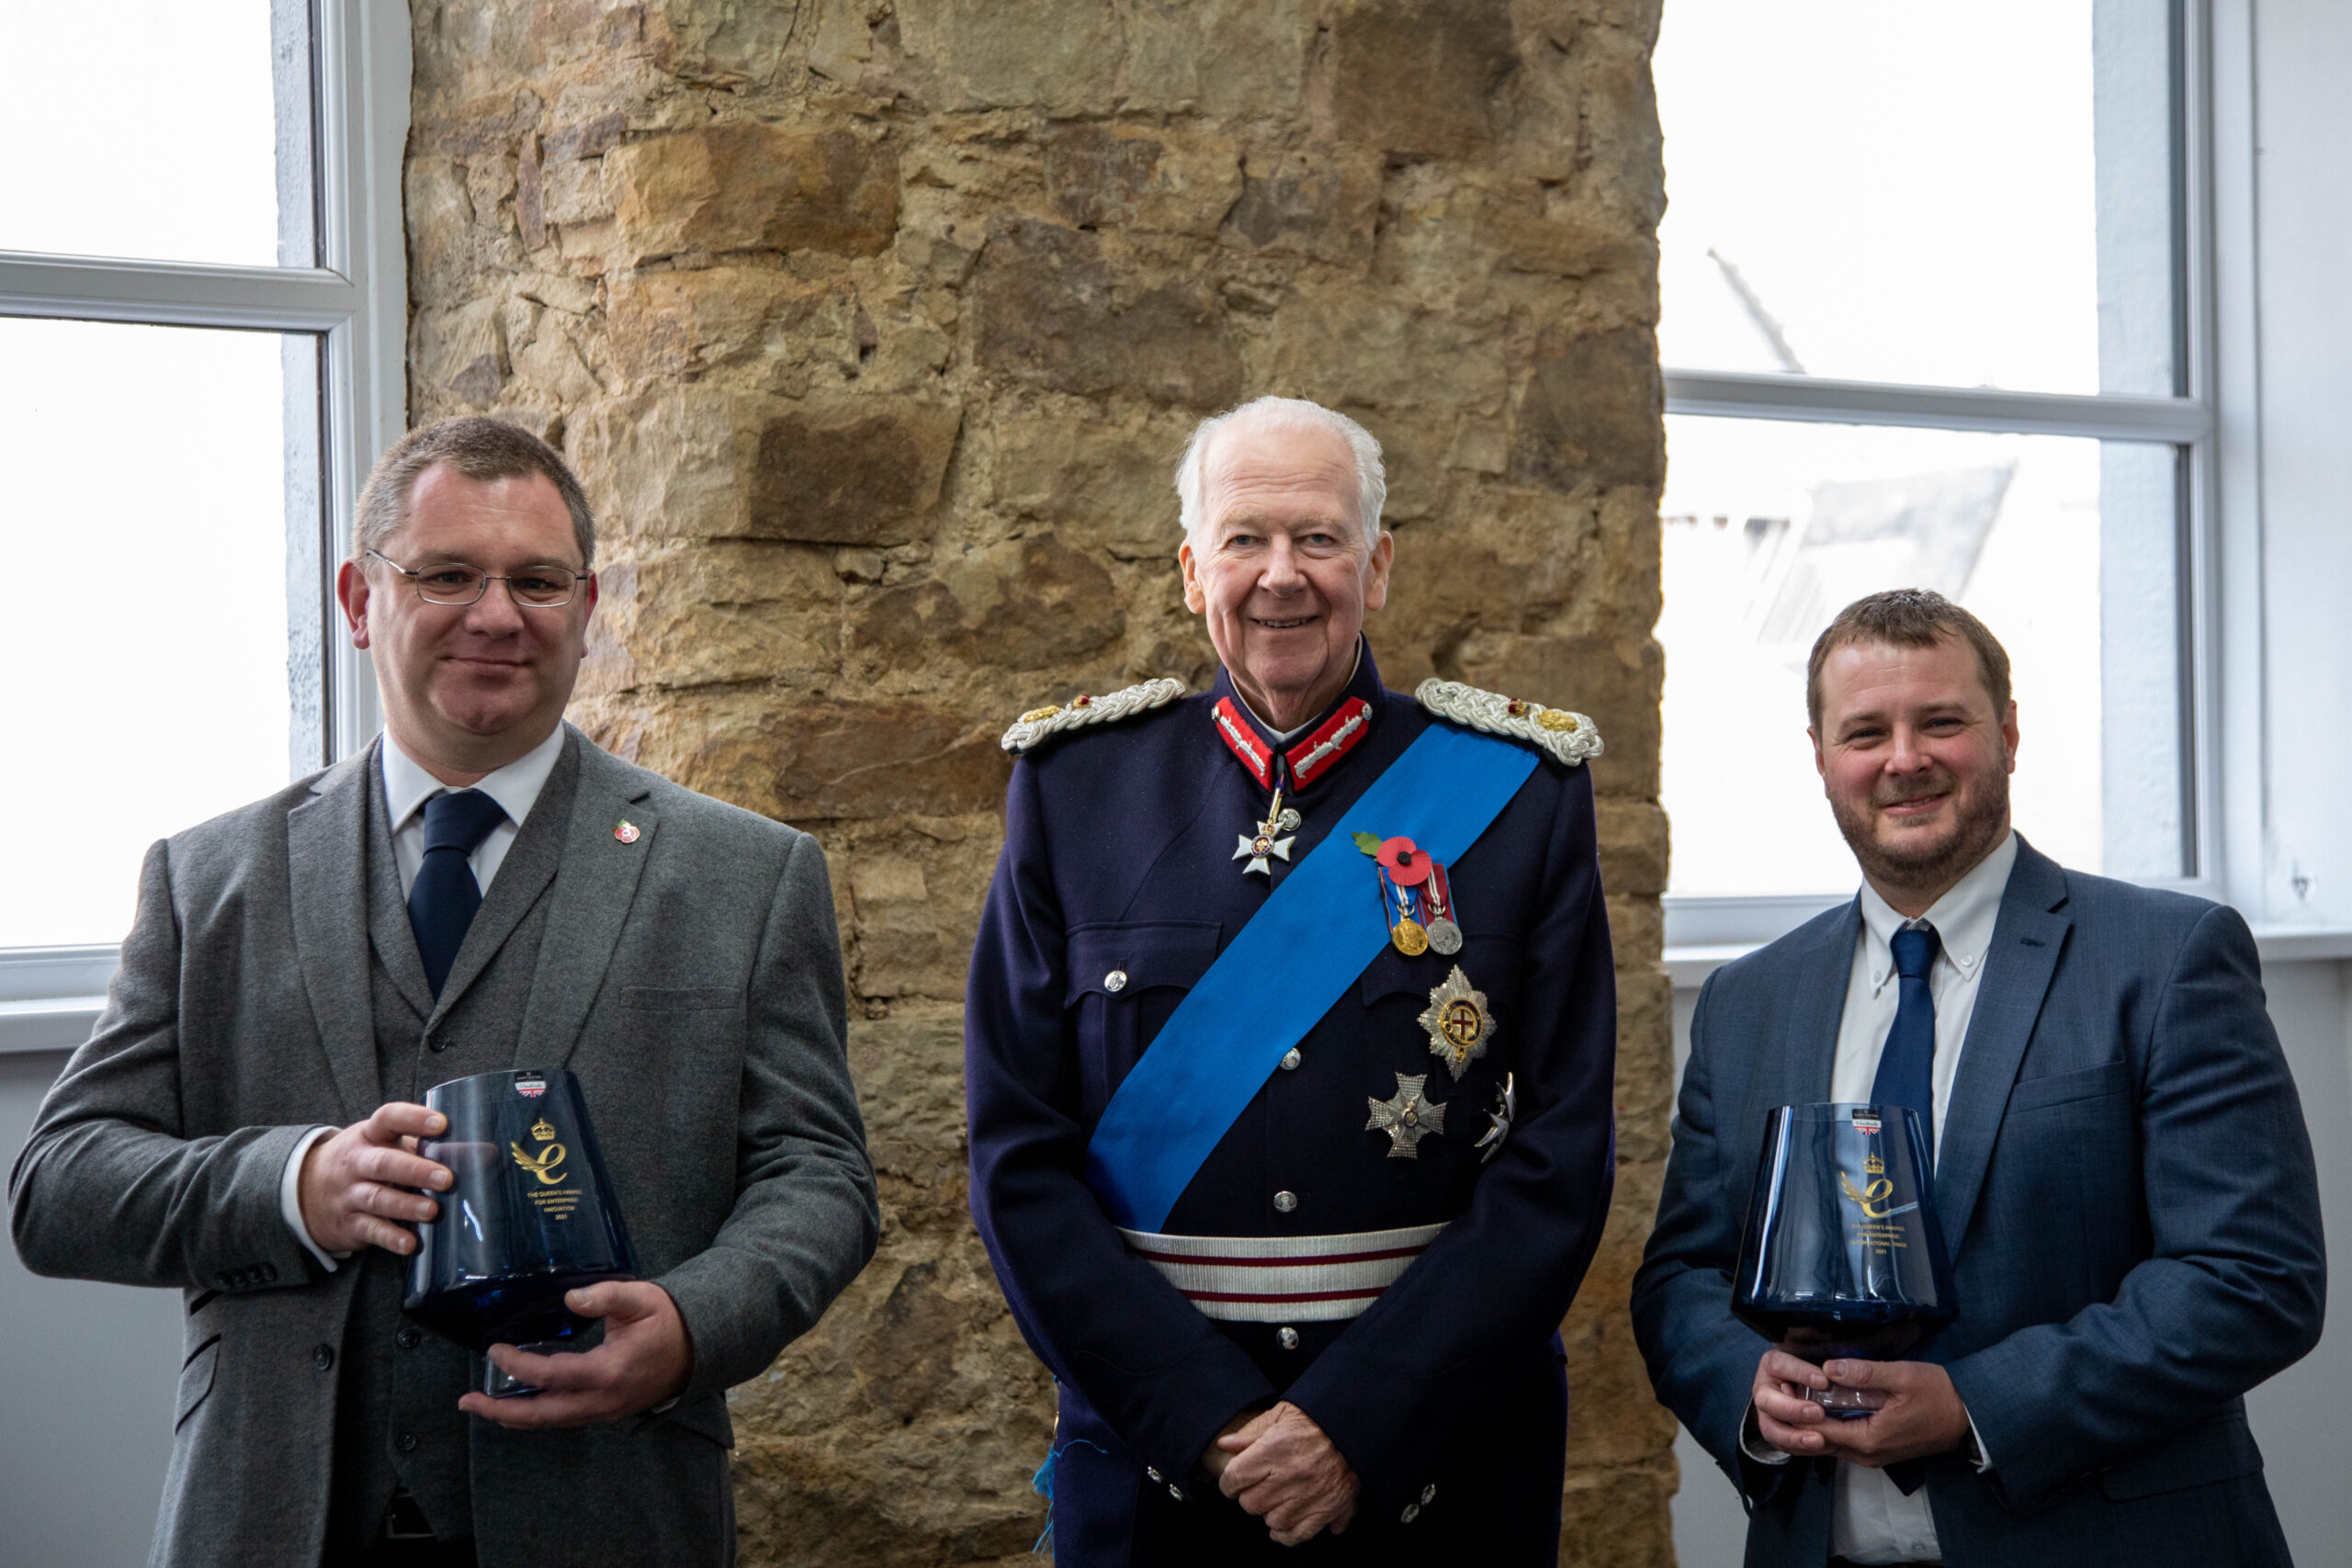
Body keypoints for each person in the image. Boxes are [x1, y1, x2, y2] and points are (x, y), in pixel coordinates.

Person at [10, 418, 878, 1568]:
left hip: (607, 1514)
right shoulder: (209, 878)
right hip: (272, 1518)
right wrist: (293, 1184)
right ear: (359, 599)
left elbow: (817, 1177)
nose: (496, 615)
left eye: (536, 581)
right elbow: (57, 1186)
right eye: (448, 575)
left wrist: (687, 1326)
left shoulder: (745, 876)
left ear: (589, 605)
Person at [963, 395, 1621, 1563]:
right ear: (1188, 569)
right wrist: (1204, 1417)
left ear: (1377, 567)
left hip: (1434, 1461)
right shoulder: (1074, 793)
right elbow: (1017, 1153)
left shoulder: (1519, 796)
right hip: (1161, 1462)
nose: (1281, 576)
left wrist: (1355, 1424)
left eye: (1317, 539)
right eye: (1243, 539)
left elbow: (1560, 1156)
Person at [1632, 589, 2324, 1567]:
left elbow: (2254, 1279)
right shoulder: (1749, 1000)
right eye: (1864, 730)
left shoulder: (2165, 958)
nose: (1903, 758)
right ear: (1822, 757)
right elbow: (1681, 1278)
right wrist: (1746, 1383)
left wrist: (1972, 1406)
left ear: (2004, 732)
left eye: (1940, 721)